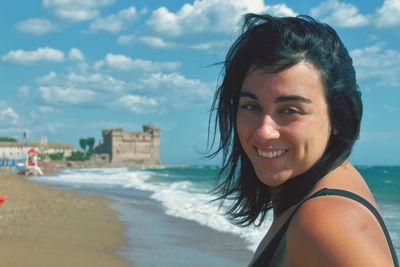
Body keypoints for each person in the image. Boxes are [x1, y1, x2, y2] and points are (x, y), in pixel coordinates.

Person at [208, 13, 399, 266]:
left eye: (289, 110)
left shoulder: (327, 221)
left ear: (338, 119)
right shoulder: (318, 196)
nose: (265, 131)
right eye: (251, 106)